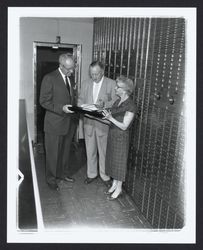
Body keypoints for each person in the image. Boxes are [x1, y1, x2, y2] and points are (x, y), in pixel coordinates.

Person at [39, 53, 78, 190]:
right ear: (60, 66)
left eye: (73, 68)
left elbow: (71, 98)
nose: (71, 71)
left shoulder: (70, 78)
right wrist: (61, 108)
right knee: (52, 153)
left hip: (69, 123)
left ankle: (62, 174)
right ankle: (51, 179)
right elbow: (43, 101)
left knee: (65, 152)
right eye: (69, 69)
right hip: (54, 124)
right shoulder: (49, 78)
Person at [78, 61, 117, 184]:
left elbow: (116, 102)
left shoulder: (111, 83)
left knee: (104, 151)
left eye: (96, 74)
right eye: (92, 74)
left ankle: (105, 176)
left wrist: (105, 105)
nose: (94, 77)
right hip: (88, 122)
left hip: (102, 123)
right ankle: (92, 174)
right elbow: (80, 99)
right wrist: (80, 105)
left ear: (102, 72)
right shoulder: (85, 84)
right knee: (90, 150)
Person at [102, 75, 136, 200]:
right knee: (112, 161)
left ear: (125, 90)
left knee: (119, 163)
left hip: (121, 138)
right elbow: (112, 117)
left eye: (118, 87)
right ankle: (114, 185)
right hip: (113, 135)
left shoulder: (130, 105)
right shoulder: (117, 101)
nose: (115, 88)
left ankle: (119, 188)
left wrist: (110, 118)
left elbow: (124, 126)